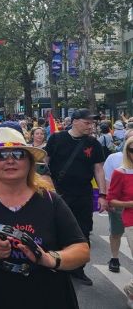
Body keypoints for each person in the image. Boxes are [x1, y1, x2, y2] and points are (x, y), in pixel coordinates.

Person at [0, 127, 90, 309]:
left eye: (18, 154)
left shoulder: (50, 200)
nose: (10, 160)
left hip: (47, 295)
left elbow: (81, 249)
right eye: (0, 155)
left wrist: (49, 259)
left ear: (30, 162)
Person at [45, 108, 106, 285]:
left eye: (92, 123)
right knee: (55, 229)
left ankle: (77, 269)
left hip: (83, 194)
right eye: (87, 123)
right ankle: (55, 264)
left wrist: (102, 194)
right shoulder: (56, 139)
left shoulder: (93, 143)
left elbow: (98, 169)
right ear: (75, 121)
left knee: (83, 231)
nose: (91, 126)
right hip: (58, 194)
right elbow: (44, 164)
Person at [106, 136, 133, 307]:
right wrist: (129, 204)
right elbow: (111, 199)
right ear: (127, 151)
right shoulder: (121, 172)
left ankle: (131, 288)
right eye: (132, 150)